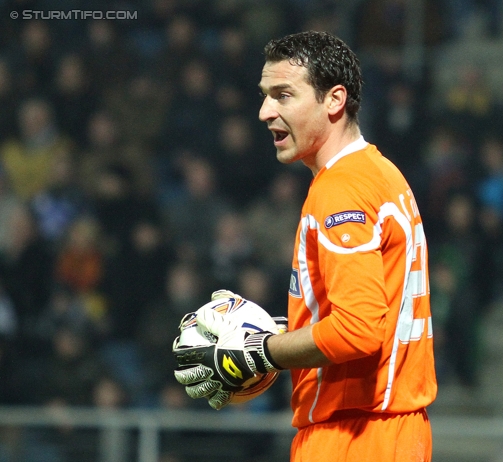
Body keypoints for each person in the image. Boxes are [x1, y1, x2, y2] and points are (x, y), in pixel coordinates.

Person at [174, 31, 437, 462]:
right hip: (387, 430)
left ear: (334, 100)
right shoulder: (379, 173)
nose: (264, 112)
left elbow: (359, 329)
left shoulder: (341, 192)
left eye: (283, 95)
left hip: (355, 434)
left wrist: (261, 351)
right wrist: (284, 332)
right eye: (264, 96)